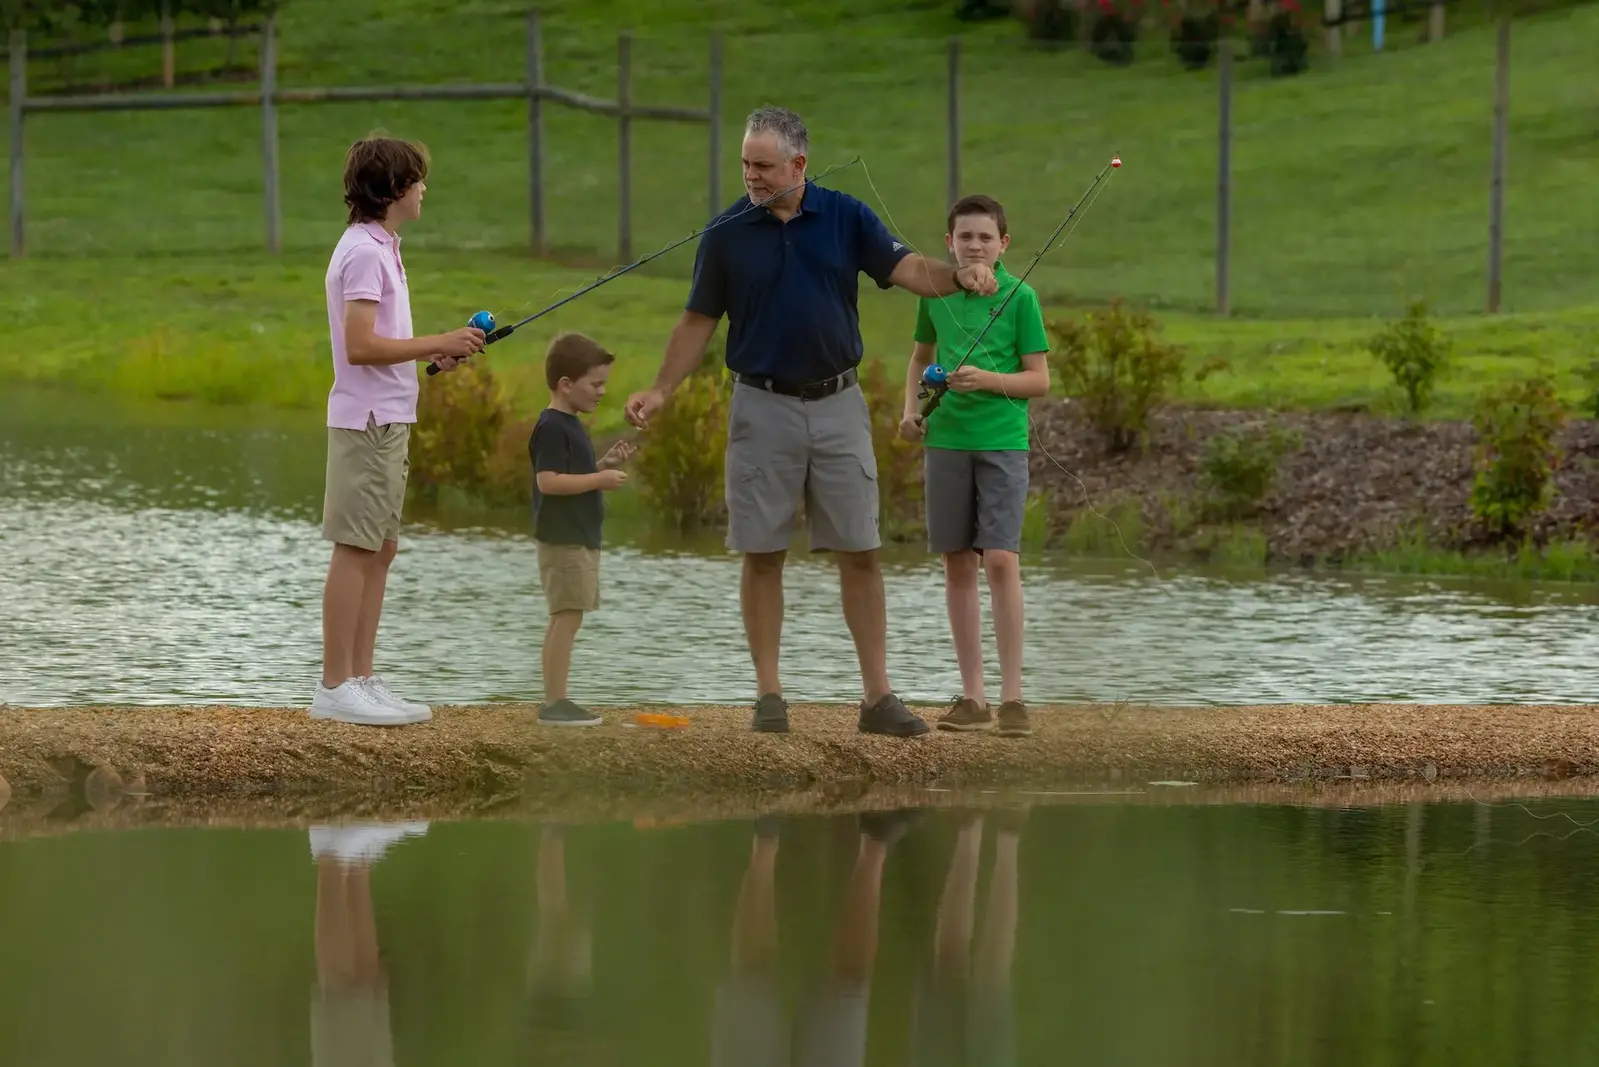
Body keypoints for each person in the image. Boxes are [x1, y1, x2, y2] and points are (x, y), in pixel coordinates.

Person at [623, 105, 1000, 737]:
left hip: (838, 405)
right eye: (746, 164)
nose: (752, 176)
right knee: (762, 550)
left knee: (861, 549)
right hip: (760, 404)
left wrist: (959, 275)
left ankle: (878, 699)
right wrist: (661, 388)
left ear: (799, 164)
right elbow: (697, 320)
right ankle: (769, 697)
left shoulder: (846, 216)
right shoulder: (725, 234)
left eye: (764, 166)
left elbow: (907, 269)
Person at [310, 132, 486, 727]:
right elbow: (359, 346)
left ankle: (361, 677)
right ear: (394, 190)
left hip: (390, 420)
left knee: (380, 550)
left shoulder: (381, 246)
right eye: (417, 181)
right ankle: (335, 686)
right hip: (366, 423)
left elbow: (381, 343)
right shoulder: (362, 251)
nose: (424, 190)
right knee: (355, 548)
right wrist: (439, 340)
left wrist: (435, 355)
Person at [899, 194, 1049, 738]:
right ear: (949, 242)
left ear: (1003, 244)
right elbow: (919, 358)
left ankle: (1013, 699)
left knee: (1001, 561)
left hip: (1003, 442)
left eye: (985, 237)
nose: (975, 245)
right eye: (965, 236)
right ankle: (974, 697)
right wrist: (911, 411)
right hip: (946, 441)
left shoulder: (1021, 297)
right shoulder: (934, 290)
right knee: (957, 563)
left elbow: (1039, 380)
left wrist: (986, 381)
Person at [530, 332, 634, 726]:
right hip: (563, 538)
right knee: (566, 615)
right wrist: (599, 482)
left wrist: (602, 465)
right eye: (596, 384)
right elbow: (549, 482)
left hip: (579, 537)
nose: (602, 392)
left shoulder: (570, 424)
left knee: (567, 615)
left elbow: (572, 473)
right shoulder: (553, 427)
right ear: (566, 384)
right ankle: (555, 703)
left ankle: (556, 700)